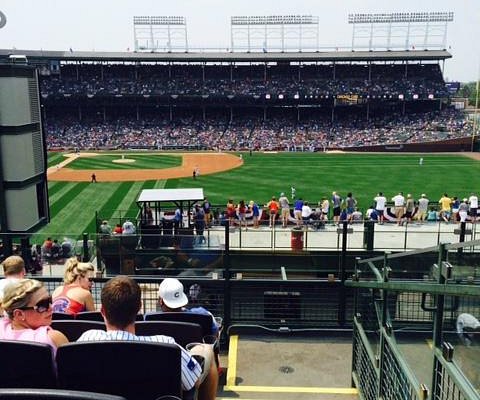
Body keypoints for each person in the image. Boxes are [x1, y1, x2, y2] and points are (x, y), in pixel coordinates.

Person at [78, 276, 218, 400]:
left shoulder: (86, 339)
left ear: (102, 310)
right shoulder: (165, 344)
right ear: (139, 307)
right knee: (207, 350)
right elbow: (194, 381)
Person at [0, 279, 68, 356]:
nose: (51, 307)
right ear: (19, 314)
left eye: (49, 300)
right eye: (42, 305)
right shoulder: (53, 338)